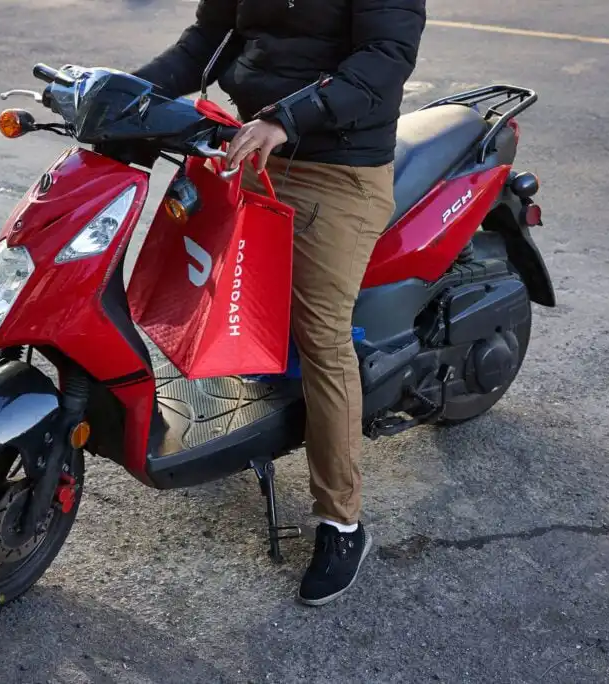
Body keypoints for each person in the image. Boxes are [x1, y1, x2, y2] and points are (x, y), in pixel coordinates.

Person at [134, 0, 426, 606]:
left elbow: (384, 58)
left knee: (321, 336)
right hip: (254, 146)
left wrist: (287, 119)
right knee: (211, 290)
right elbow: (207, 41)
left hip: (337, 168)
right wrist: (129, 92)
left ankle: (342, 521)